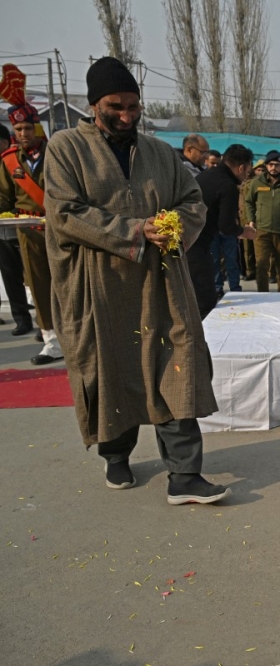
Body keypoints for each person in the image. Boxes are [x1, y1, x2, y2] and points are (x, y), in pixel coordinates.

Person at [43, 56, 228, 504]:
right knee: (112, 369)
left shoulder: (160, 153)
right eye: (115, 107)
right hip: (99, 286)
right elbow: (64, 212)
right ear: (93, 106)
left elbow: (192, 201)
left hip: (161, 280)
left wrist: (172, 227)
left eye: (133, 107)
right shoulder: (66, 149)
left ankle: (184, 474)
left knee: (176, 364)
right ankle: (116, 454)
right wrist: (132, 231)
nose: (126, 116)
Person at [0, 64, 63, 363]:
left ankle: (74, 335)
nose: (23, 134)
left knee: (68, 283)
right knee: (38, 286)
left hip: (61, 229)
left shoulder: (59, 154)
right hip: (29, 233)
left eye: (27, 128)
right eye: (18, 129)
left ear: (38, 127)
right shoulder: (9, 160)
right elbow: (3, 198)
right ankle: (50, 340)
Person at [191, 144, 254, 318]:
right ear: (241, 167)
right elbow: (226, 226)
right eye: (248, 170)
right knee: (205, 300)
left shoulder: (206, 175)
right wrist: (244, 231)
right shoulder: (227, 186)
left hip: (186, 240)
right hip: (196, 245)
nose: (247, 174)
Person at [244, 150, 280, 292]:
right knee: (261, 266)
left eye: (277, 165)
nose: (273, 168)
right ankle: (262, 296)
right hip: (261, 231)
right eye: (271, 164)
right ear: (266, 165)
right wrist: (251, 220)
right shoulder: (256, 183)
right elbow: (248, 202)